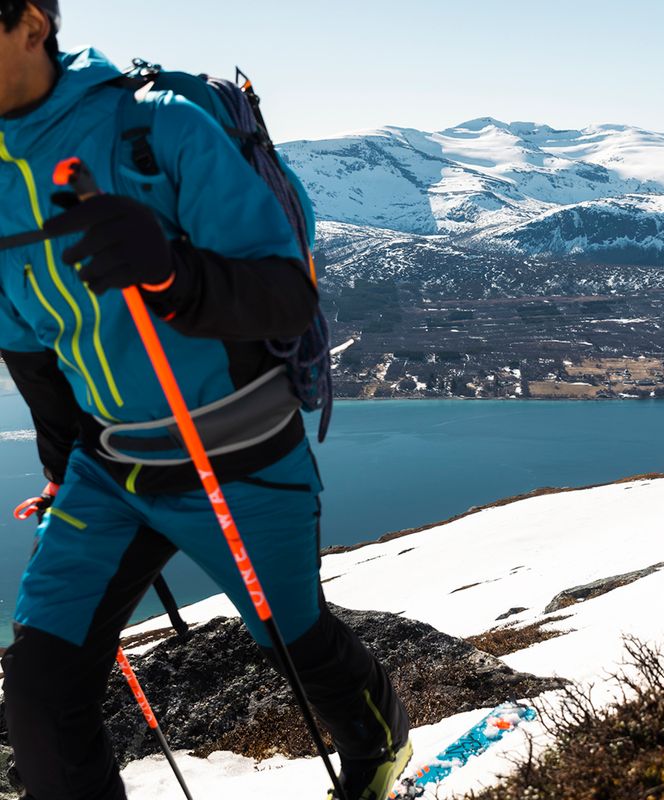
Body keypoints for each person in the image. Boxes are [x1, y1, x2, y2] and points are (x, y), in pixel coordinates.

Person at [0, 3, 410, 798]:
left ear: (28, 22)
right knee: (42, 689)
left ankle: (380, 741)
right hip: (110, 468)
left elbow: (286, 295)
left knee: (293, 641)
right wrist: (60, 470)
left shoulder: (154, 125)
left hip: (237, 451)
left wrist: (169, 274)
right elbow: (26, 343)